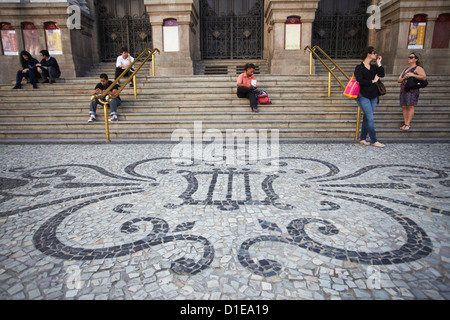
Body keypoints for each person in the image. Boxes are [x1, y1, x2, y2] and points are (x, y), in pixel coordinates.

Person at [354, 46, 386, 148]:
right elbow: (360, 80)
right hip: (363, 95)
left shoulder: (374, 67)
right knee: (370, 117)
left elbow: (382, 74)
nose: (375, 55)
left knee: (368, 117)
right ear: (369, 54)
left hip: (373, 95)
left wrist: (379, 63)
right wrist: (372, 81)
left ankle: (363, 138)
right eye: (374, 53)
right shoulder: (359, 68)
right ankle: (374, 140)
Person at [397, 52, 427, 131]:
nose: (409, 59)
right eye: (409, 57)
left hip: (412, 89)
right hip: (404, 88)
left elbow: (423, 77)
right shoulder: (406, 69)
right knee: (404, 105)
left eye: (411, 57)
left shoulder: (418, 68)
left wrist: (413, 75)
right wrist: (404, 77)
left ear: (416, 59)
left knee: (410, 105)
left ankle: (407, 124)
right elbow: (399, 79)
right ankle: (405, 122)